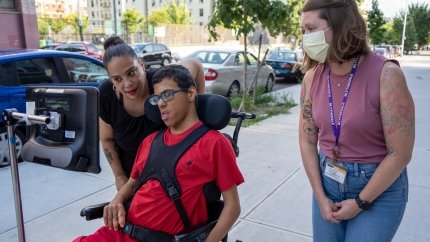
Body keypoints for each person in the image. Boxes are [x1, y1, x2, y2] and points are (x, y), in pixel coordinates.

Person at [74, 65, 244, 242]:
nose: (161, 103)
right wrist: (117, 200)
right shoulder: (151, 141)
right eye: (156, 98)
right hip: (119, 232)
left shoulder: (214, 143)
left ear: (191, 93)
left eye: (167, 95)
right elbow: (133, 182)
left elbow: (233, 207)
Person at [298, 1, 415, 241]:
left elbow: (400, 154)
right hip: (328, 184)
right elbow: (307, 141)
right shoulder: (312, 78)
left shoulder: (386, 75)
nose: (305, 38)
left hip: (377, 189)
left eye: (311, 29)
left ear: (340, 26)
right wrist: (320, 197)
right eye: (303, 31)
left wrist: (361, 202)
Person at [100, 36, 205, 191]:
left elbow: (195, 65)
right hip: (135, 184)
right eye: (117, 79)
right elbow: (106, 139)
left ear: (141, 65)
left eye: (131, 72)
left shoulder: (160, 82)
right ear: (111, 81)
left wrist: (198, 110)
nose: (127, 84)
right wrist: (119, 176)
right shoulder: (106, 95)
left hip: (175, 180)